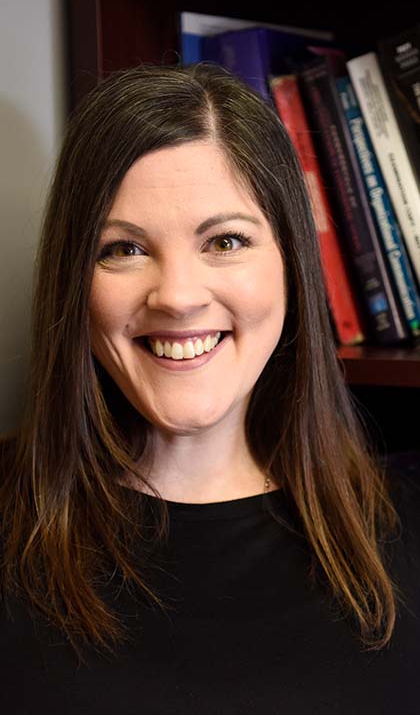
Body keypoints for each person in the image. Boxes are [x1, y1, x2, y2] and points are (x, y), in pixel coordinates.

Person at [0, 61, 419, 714]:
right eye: (123, 249)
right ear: (74, 279)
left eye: (225, 240)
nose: (178, 297)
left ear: (291, 265)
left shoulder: (406, 531)